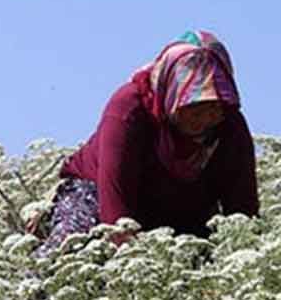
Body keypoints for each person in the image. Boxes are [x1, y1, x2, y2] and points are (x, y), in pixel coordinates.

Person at [34, 30, 258, 254]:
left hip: (177, 213)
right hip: (98, 196)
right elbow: (115, 197)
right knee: (70, 249)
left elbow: (243, 209)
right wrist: (125, 250)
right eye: (193, 107)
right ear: (171, 94)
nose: (205, 118)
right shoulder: (129, 109)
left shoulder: (230, 126)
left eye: (214, 107)